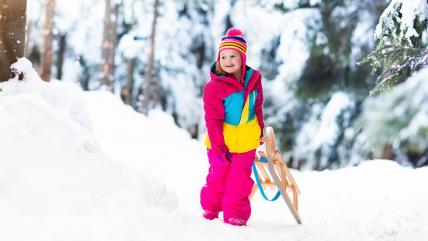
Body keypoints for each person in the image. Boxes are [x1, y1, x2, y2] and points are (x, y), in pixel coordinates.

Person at [200, 27, 264, 226]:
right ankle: (211, 206)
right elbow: (213, 120)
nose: (228, 61)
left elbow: (257, 106)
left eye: (233, 56)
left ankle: (235, 214)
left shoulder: (254, 79)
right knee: (218, 176)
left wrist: (260, 129)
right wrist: (219, 149)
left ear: (242, 58)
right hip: (222, 142)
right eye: (224, 57)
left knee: (239, 180)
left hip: (246, 139)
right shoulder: (213, 88)